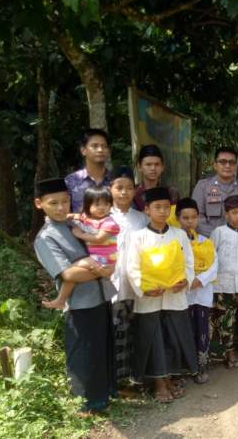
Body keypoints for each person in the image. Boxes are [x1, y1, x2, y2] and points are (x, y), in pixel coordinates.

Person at [33, 177, 117, 412]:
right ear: (39, 204)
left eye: (64, 202)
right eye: (53, 203)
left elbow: (105, 244)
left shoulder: (74, 224)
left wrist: (98, 268)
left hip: (101, 296)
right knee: (83, 354)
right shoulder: (46, 237)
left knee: (101, 348)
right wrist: (104, 270)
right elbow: (68, 274)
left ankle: (104, 397)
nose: (60, 208)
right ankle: (85, 405)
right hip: (80, 303)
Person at [126, 187, 197, 403]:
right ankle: (159, 383)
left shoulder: (179, 235)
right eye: (157, 207)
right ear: (147, 209)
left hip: (175, 297)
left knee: (171, 339)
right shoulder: (138, 237)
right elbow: (132, 267)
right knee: (153, 340)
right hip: (149, 299)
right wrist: (143, 288)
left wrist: (186, 280)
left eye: (166, 207)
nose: (163, 211)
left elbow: (189, 263)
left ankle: (169, 379)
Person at [42, 186, 120, 310]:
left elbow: (99, 238)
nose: (101, 208)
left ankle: (60, 300)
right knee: (71, 276)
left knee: (71, 271)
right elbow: (74, 216)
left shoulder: (109, 223)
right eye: (97, 204)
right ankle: (61, 300)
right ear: (88, 206)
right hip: (97, 258)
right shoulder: (88, 218)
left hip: (104, 258)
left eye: (106, 204)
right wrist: (59, 217)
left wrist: (81, 235)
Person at [107, 166, 147, 383]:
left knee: (134, 330)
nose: (124, 193)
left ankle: (135, 376)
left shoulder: (141, 218)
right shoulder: (102, 216)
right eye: (119, 187)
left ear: (135, 191)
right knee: (115, 331)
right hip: (111, 283)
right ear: (110, 189)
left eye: (129, 188)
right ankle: (115, 379)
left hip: (136, 285)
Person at [209, 195, 238, 368]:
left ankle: (228, 353)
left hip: (236, 286)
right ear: (226, 214)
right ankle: (219, 354)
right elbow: (210, 258)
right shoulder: (219, 232)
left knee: (230, 320)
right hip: (218, 285)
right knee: (218, 321)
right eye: (234, 212)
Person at [176, 197, 217, 384]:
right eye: (185, 217)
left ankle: (202, 365)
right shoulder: (174, 241)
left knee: (201, 330)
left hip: (201, 294)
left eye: (193, 217)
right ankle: (185, 367)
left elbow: (215, 264)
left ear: (198, 218)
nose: (189, 221)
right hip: (181, 295)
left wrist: (199, 280)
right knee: (184, 330)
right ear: (178, 219)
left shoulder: (206, 242)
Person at [192, 147, 238, 237]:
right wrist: (219, 236)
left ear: (236, 166)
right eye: (223, 162)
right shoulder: (203, 187)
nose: (227, 166)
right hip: (210, 243)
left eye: (232, 162)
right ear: (215, 165)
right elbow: (197, 218)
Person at [65, 129, 111, 213]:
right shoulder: (70, 181)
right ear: (83, 150)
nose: (100, 150)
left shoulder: (115, 180)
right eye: (95, 146)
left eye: (104, 146)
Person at [132, 144, 180, 211]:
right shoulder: (133, 193)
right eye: (148, 164)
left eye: (157, 164)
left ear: (162, 167)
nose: (153, 168)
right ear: (139, 167)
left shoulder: (171, 193)